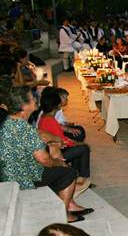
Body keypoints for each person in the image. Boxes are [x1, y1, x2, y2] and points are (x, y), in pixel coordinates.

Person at [0, 86, 91, 223]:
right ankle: (62, 213)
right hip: (22, 177)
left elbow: (37, 136)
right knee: (68, 173)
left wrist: (54, 142)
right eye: (32, 98)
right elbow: (44, 159)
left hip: (11, 172)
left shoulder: (9, 121)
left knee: (54, 152)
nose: (36, 99)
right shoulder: (24, 128)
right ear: (24, 106)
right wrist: (60, 164)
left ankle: (69, 203)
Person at [37, 92, 92, 196]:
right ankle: (84, 177)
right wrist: (77, 144)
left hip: (53, 148)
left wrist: (74, 141)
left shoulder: (45, 116)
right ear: (57, 106)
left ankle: (76, 176)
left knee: (79, 146)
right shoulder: (50, 120)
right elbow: (62, 141)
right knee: (84, 148)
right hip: (55, 153)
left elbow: (61, 136)